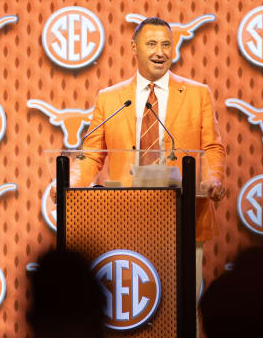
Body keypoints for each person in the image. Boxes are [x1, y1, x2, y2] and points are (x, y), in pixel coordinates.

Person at [69, 17, 227, 303]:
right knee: (132, 307)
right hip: (125, 217)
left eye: (166, 45)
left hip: (183, 216)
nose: (160, 52)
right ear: (134, 47)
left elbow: (213, 147)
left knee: (183, 305)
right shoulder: (110, 98)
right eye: (152, 44)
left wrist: (213, 179)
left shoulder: (197, 94)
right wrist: (69, 184)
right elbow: (91, 154)